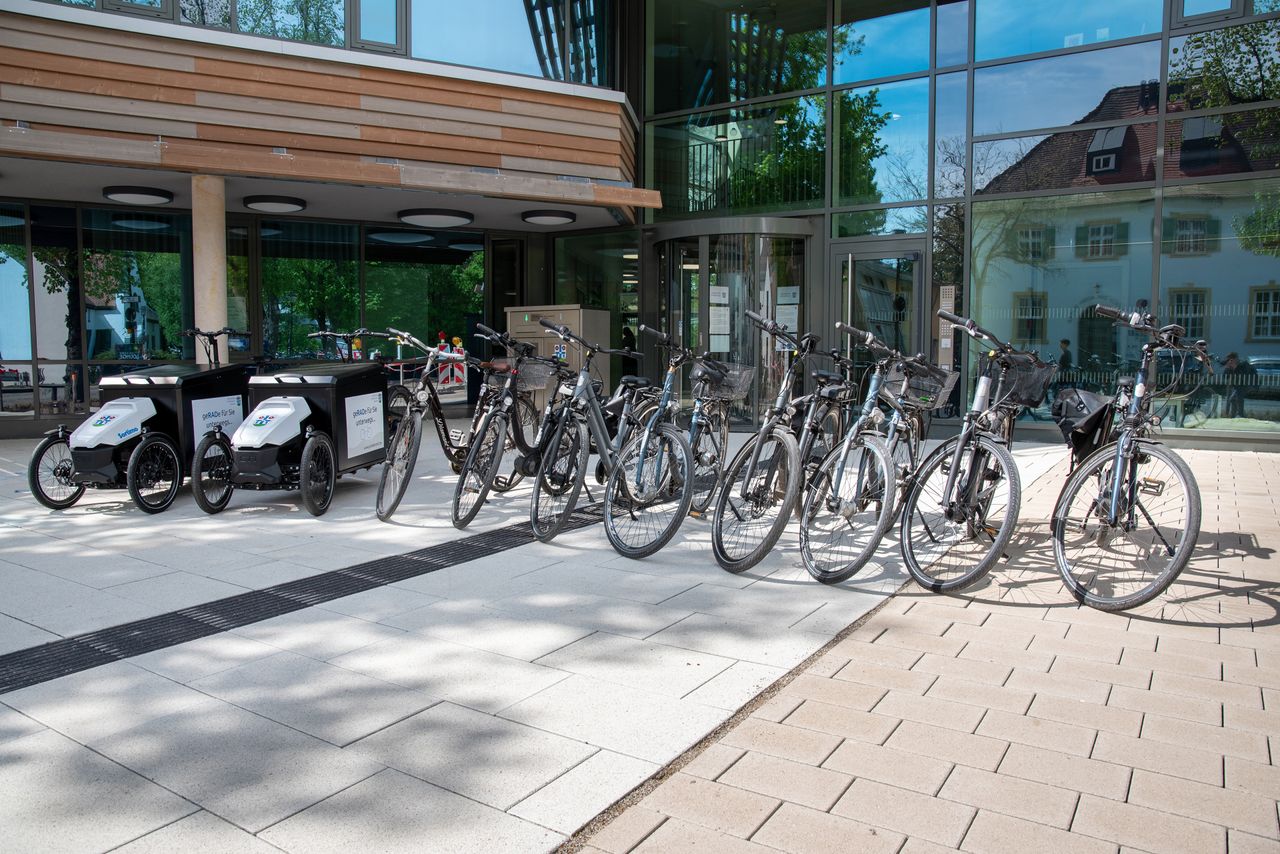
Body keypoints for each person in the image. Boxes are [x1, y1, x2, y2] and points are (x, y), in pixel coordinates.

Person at [1221, 352, 1255, 419]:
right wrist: (1227, 368)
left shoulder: (1243, 364)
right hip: (1237, 386)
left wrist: (1235, 367)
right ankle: (1234, 416)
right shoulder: (1230, 366)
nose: (1230, 361)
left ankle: (1240, 415)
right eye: (1229, 360)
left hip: (1247, 384)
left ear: (1236, 358)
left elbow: (1245, 375)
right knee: (1234, 399)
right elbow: (1225, 376)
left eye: (1231, 360)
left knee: (1235, 398)